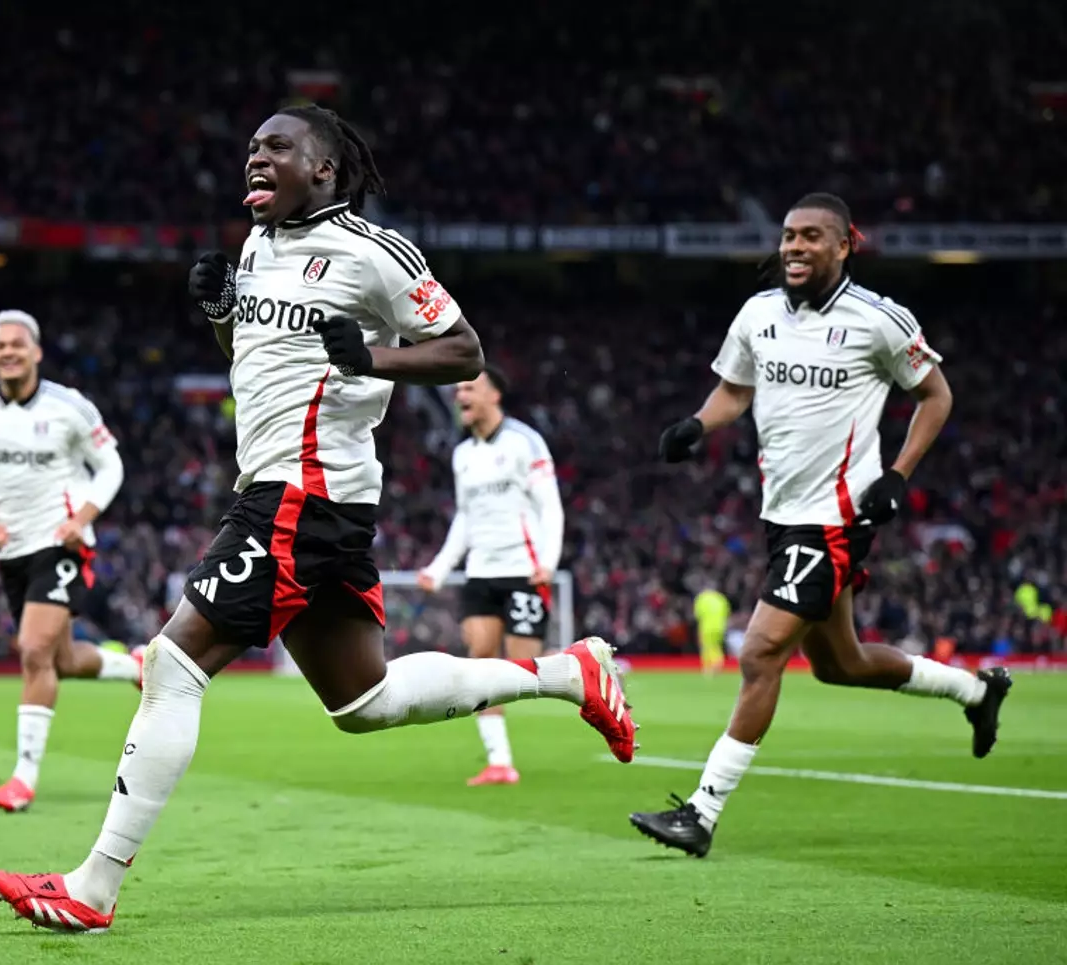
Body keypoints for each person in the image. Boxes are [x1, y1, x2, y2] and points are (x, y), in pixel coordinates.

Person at [0, 104, 636, 932]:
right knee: (364, 699)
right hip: (289, 493)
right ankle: (568, 673)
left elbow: (464, 349)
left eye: (276, 149)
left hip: (303, 493)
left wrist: (376, 357)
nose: (255, 159)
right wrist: (223, 315)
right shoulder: (258, 247)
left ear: (323, 168)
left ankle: (94, 885)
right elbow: (264, 360)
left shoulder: (374, 252)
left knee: (172, 663)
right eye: (251, 148)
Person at [629, 193, 1011, 858]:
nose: (794, 247)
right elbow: (736, 388)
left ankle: (701, 811)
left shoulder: (878, 320)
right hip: (782, 516)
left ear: (844, 246)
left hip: (833, 520)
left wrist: (898, 473)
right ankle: (976, 689)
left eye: (810, 237)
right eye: (787, 236)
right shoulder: (758, 315)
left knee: (759, 653)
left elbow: (936, 394)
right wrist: (699, 422)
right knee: (842, 663)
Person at [0, 310, 143, 814]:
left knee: (33, 650)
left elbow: (111, 466)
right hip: (11, 549)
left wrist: (82, 517)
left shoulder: (70, 408)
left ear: (36, 351)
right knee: (61, 660)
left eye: (18, 344)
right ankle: (135, 664)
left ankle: (23, 778)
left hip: (62, 542)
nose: (8, 353)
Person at [418, 366, 564, 785]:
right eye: (458, 388)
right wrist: (440, 567)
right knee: (479, 663)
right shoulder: (462, 454)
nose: (460, 394)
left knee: (523, 668)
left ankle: (591, 666)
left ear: (494, 395)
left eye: (469, 387)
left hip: (523, 567)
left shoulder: (524, 442)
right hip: (481, 572)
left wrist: (548, 561)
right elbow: (464, 517)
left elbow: (550, 506)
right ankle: (500, 761)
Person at [693, 586, 731, 677]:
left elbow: (698, 615)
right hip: (720, 627)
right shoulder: (721, 598)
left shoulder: (701, 598)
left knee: (707, 647)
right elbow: (727, 613)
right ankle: (718, 662)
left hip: (707, 627)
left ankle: (709, 667)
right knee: (716, 646)